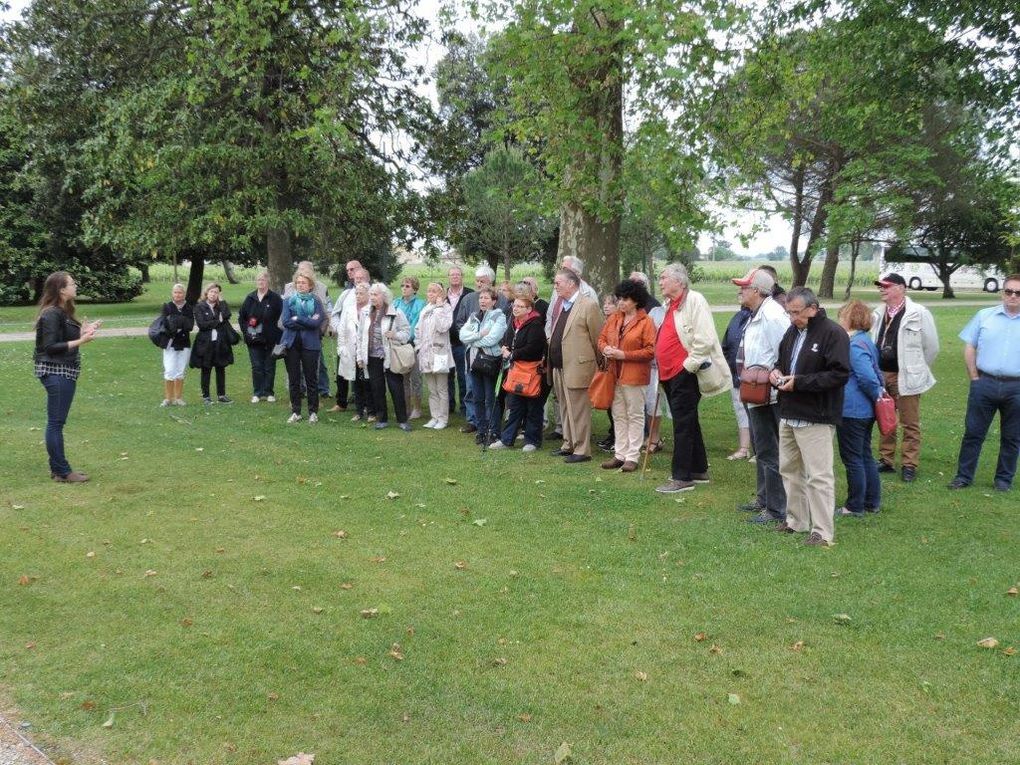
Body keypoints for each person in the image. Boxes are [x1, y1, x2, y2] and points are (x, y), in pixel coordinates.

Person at [768, 287, 850, 546]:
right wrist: (775, 374)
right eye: (789, 312)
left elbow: (839, 375)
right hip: (789, 413)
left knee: (819, 475)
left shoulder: (833, 334)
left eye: (796, 312)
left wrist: (799, 383)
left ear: (812, 309)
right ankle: (797, 520)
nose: (792, 318)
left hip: (817, 415)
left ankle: (823, 531)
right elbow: (782, 362)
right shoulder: (792, 332)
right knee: (789, 470)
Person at [653, 263, 731, 493]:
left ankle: (681, 477)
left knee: (682, 425)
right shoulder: (670, 304)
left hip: (683, 373)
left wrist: (688, 366)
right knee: (688, 420)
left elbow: (705, 338)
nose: (660, 282)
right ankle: (698, 469)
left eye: (663, 277)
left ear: (679, 281)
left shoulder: (694, 300)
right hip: (669, 374)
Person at [948, 274, 1020, 492]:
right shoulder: (984, 316)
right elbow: (970, 346)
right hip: (984, 383)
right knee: (973, 433)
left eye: (1018, 293)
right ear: (1002, 293)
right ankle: (963, 476)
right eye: (1009, 291)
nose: (1013, 296)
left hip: (1016, 387)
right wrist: (974, 378)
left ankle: (1003, 480)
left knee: (1012, 437)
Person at [732, 268, 790, 523]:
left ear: (757, 290)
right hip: (755, 390)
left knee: (769, 448)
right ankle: (764, 498)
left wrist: (775, 377)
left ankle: (776, 508)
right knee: (761, 446)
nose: (740, 290)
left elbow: (785, 352)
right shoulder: (759, 312)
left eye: (744, 287)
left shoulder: (772, 315)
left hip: (769, 393)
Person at [871, 272, 939, 482]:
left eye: (887, 286)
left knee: (910, 422)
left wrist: (916, 368)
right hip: (882, 374)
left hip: (906, 376)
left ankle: (909, 464)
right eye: (880, 286)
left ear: (901, 287)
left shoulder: (919, 312)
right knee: (886, 418)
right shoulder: (878, 312)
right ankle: (886, 460)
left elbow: (932, 347)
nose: (882, 289)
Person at [34, 271, 101, 482]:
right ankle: (62, 471)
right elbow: (51, 347)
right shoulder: (51, 313)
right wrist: (82, 342)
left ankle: (58, 470)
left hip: (64, 371)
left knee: (56, 422)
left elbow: (63, 338)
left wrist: (83, 332)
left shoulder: (63, 312)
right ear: (61, 289)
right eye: (72, 283)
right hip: (56, 372)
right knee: (55, 423)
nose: (75, 286)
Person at [597, 279, 656, 472]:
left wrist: (624, 355)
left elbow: (650, 351)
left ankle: (632, 456)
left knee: (635, 415)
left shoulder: (646, 322)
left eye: (626, 299)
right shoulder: (614, 318)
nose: (621, 302)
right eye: (619, 298)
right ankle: (620, 454)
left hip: (635, 376)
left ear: (636, 300)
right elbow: (602, 339)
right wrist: (606, 348)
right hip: (614, 374)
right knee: (618, 414)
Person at [546, 269, 604, 463]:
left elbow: (598, 337)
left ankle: (582, 449)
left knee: (578, 409)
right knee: (564, 407)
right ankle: (568, 443)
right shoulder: (562, 305)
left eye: (558, 283)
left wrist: (599, 364)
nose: (555, 286)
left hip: (578, 367)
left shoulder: (588, 305)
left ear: (571, 284)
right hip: (559, 366)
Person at [836, 300, 883, 516]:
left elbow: (867, 377)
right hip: (864, 410)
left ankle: (855, 505)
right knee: (864, 455)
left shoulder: (854, 344)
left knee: (853, 458)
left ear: (849, 319)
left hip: (853, 410)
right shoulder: (866, 341)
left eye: (842, 317)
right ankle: (871, 501)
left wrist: (877, 396)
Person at [490, 292, 548, 452]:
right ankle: (507, 439)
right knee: (514, 406)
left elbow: (534, 348)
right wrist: (505, 347)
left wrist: (513, 354)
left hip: (531, 371)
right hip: (516, 371)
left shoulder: (536, 325)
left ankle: (532, 441)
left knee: (533, 407)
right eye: (514, 305)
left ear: (529, 309)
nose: (515, 309)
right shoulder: (514, 323)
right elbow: (507, 340)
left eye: (520, 306)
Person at [360, 283, 412, 431]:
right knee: (377, 388)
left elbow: (407, 332)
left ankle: (402, 420)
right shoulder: (365, 312)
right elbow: (360, 336)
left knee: (396, 388)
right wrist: (359, 356)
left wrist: (395, 335)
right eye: (371, 295)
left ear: (384, 296)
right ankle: (382, 419)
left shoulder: (395, 312)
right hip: (372, 356)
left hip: (390, 355)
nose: (372, 298)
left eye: (375, 295)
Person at [460, 286, 508, 444]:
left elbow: (492, 339)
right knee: (477, 398)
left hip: (489, 362)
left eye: (487, 298)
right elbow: (462, 335)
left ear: (494, 301)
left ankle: (494, 431)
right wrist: (479, 334)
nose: (483, 300)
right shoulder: (474, 316)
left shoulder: (498, 317)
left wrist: (472, 339)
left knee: (490, 398)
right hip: (473, 362)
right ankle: (481, 430)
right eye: (481, 298)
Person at [281, 270, 327, 423]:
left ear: (310, 286)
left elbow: (317, 322)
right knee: (294, 379)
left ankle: (313, 412)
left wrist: (298, 318)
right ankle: (296, 411)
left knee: (311, 379)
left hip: (310, 344)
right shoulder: (288, 300)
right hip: (291, 343)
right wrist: (307, 321)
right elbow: (286, 322)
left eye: (303, 283)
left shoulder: (316, 301)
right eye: (298, 283)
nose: (300, 285)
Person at [329, 266, 371, 412]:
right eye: (356, 278)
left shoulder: (373, 294)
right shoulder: (346, 294)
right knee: (342, 375)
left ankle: (366, 405)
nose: (358, 280)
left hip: (365, 344)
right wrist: (339, 329)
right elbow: (335, 313)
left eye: (361, 278)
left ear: (368, 279)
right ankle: (341, 403)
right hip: (347, 341)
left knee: (364, 376)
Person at [238, 271, 283, 404]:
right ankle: (257, 392)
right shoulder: (250, 298)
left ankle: (269, 392)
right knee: (257, 366)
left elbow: (282, 319)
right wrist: (246, 332)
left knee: (269, 366)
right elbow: (242, 317)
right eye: (258, 280)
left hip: (270, 339)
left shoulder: (275, 298)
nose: (261, 282)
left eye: (263, 279)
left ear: (268, 281)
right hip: (253, 340)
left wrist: (278, 336)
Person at [416, 282, 454, 429]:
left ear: (441, 294)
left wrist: (438, 308)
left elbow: (442, 327)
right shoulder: (425, 309)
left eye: (434, 292)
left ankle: (443, 419)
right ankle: (434, 416)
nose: (431, 294)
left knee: (441, 388)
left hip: (440, 354)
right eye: (429, 291)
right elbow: (419, 329)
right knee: (431, 389)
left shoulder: (445, 308)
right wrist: (418, 345)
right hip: (426, 353)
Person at [190, 282, 235, 404]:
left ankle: (221, 395)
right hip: (205, 343)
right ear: (207, 292)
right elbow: (202, 325)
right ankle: (206, 396)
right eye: (211, 292)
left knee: (221, 368)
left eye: (216, 292)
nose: (213, 294)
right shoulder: (199, 306)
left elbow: (227, 315)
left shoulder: (220, 306)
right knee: (206, 369)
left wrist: (222, 301)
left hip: (220, 342)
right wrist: (217, 321)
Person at [720, 302, 753, 460]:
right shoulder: (738, 317)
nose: (740, 294)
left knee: (757, 412)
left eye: (744, 289)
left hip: (756, 377)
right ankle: (744, 447)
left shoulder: (767, 315)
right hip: (736, 374)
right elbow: (726, 345)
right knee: (741, 410)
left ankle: (760, 450)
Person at [339, 283, 372, 421]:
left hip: (367, 351)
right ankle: (359, 411)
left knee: (368, 382)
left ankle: (371, 411)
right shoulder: (348, 310)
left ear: (368, 295)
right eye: (356, 293)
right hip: (351, 350)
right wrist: (341, 348)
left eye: (361, 293)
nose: (358, 296)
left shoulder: (371, 309)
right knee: (356, 382)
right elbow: (342, 330)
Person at [395, 276, 426, 420]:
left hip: (412, 344)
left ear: (414, 288)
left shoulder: (420, 304)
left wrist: (405, 336)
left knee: (415, 379)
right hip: (399, 344)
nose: (404, 288)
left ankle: (417, 408)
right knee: (403, 378)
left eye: (407, 286)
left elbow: (416, 323)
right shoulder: (396, 302)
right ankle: (406, 408)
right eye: (402, 285)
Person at [446, 265, 473, 421]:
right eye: (452, 275)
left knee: (463, 376)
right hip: (446, 343)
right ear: (448, 277)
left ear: (462, 277)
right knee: (448, 375)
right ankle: (449, 405)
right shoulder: (443, 296)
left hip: (462, 343)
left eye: (457, 274)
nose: (455, 277)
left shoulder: (469, 294)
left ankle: (464, 407)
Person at [160, 283, 194, 407]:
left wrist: (176, 321)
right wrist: (179, 322)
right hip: (170, 343)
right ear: (172, 293)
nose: (178, 294)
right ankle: (168, 398)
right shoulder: (167, 306)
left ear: (184, 294)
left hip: (184, 343)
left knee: (180, 371)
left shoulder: (188, 308)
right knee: (169, 370)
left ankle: (178, 398)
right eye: (175, 292)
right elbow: (166, 325)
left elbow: (189, 326)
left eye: (180, 292)